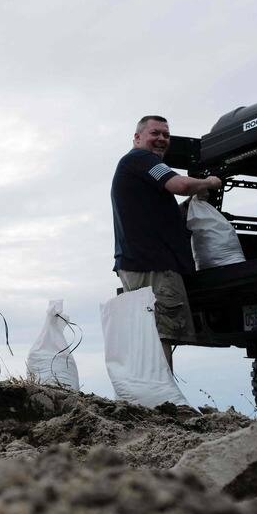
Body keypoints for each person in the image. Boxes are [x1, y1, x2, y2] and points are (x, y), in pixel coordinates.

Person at [111, 115, 221, 368]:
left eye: (166, 135)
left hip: (137, 262)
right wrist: (209, 182)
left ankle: (152, 395)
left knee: (149, 332)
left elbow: (156, 214)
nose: (161, 139)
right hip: (153, 265)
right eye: (155, 133)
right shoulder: (142, 159)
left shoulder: (136, 169)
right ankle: (162, 400)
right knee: (162, 331)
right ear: (137, 138)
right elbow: (180, 184)